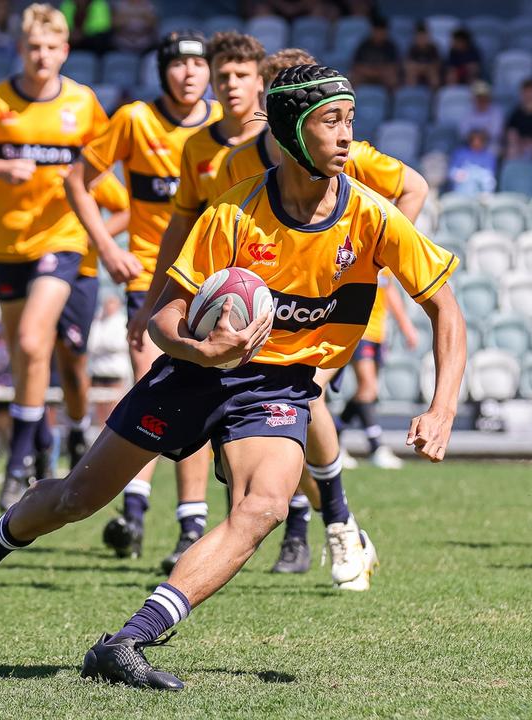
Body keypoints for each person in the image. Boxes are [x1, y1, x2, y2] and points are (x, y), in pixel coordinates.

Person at [0, 63, 465, 691]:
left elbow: (446, 308)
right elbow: (166, 318)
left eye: (350, 120)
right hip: (193, 373)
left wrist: (442, 404)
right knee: (77, 499)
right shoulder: (234, 212)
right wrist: (203, 351)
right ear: (292, 130)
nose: (347, 137)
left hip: (278, 386)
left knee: (261, 506)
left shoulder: (371, 215)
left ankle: (130, 640)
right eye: (331, 122)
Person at [196, 47, 430, 585]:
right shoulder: (237, 165)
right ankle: (310, 521)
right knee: (273, 426)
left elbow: (412, 187)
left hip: (328, 313)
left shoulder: (349, 153)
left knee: (305, 396)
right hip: (264, 319)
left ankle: (338, 521)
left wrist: (379, 260)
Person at [63, 30, 221, 560]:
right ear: (164, 72)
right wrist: (107, 245)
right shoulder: (134, 119)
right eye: (177, 65)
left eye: (198, 65)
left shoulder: (228, 128)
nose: (189, 74)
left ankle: (190, 528)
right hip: (150, 282)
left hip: (215, 285)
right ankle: (134, 516)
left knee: (193, 396)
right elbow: (76, 180)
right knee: (152, 388)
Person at [0, 4, 113, 510]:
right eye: (33, 47)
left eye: (51, 47)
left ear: (65, 51)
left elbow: (105, 176)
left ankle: (17, 461)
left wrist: (100, 234)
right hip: (6, 243)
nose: (42, 56)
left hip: (63, 242)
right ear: (20, 49)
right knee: (28, 356)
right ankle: (45, 446)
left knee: (31, 338)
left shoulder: (84, 104)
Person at [120, 30, 264, 573]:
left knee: (294, 415)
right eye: (220, 73)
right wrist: (153, 302)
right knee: (183, 395)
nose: (223, 83)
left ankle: (323, 519)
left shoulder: (279, 148)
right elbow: (180, 227)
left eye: (234, 74)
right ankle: (187, 523)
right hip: (201, 293)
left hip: (272, 300)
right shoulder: (199, 146)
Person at [54, 170, 130, 471]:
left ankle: (76, 429)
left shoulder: (89, 169)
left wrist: (91, 238)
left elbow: (124, 209)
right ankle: (31, 450)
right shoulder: (25, 155)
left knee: (72, 365)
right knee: (30, 352)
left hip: (78, 274)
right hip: (32, 267)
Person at [339, 270, 418, 469]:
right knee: (368, 387)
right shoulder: (355, 258)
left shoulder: (384, 265)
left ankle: (333, 437)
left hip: (378, 334)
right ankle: (375, 447)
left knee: (367, 392)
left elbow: (389, 291)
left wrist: (405, 326)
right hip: (358, 331)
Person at [87, 293, 130, 427]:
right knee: (99, 408)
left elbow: (119, 344)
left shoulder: (122, 321)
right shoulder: (97, 321)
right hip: (97, 371)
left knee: (113, 406)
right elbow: (90, 344)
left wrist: (102, 345)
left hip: (115, 372)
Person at [351, 15, 400, 88]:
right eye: (377, 31)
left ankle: (392, 99)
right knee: (353, 78)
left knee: (393, 79)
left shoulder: (390, 46)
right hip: (366, 75)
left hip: (383, 76)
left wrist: (377, 72)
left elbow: (393, 67)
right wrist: (371, 72)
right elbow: (357, 66)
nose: (379, 34)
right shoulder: (364, 45)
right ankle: (352, 99)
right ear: (373, 31)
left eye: (382, 32)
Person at [456, 81, 504, 154]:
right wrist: (475, 139)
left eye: (484, 97)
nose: (481, 100)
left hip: (490, 145)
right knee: (459, 151)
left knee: (495, 150)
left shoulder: (496, 112)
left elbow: (496, 133)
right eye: (478, 97)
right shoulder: (468, 112)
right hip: (470, 144)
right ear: (473, 98)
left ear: (488, 97)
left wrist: (480, 138)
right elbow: (463, 132)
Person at [448, 129, 498, 196]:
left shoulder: (489, 156)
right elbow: (451, 172)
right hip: (462, 188)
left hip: (481, 190)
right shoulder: (460, 153)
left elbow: (490, 176)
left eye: (480, 139)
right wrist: (458, 174)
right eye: (474, 139)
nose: (476, 142)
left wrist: (477, 175)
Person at [403, 22, 441, 90]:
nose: (422, 39)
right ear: (415, 37)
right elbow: (408, 64)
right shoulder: (412, 48)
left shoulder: (433, 48)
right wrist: (419, 67)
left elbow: (437, 64)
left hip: (429, 70)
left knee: (434, 75)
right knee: (411, 73)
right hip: (416, 70)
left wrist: (426, 67)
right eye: (419, 37)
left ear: (428, 37)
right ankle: (412, 93)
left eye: (424, 37)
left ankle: (434, 96)